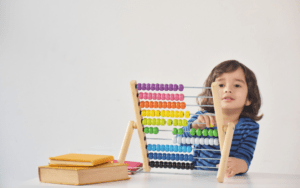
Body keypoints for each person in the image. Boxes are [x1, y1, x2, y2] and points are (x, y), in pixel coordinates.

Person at [181, 60, 263, 178]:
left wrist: (240, 165)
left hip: (231, 181)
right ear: (210, 96)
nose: (228, 90)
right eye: (221, 85)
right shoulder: (201, 117)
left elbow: (245, 157)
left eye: (237, 85)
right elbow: (181, 139)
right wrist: (196, 126)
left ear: (248, 98)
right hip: (199, 180)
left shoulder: (250, 127)